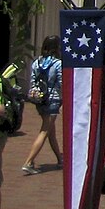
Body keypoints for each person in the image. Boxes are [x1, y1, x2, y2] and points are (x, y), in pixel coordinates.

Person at [21, 35, 61, 174]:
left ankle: (60, 159)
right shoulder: (57, 64)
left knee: (51, 132)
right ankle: (28, 162)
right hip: (53, 100)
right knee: (44, 131)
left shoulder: (36, 63)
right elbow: (61, 84)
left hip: (40, 100)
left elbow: (32, 82)